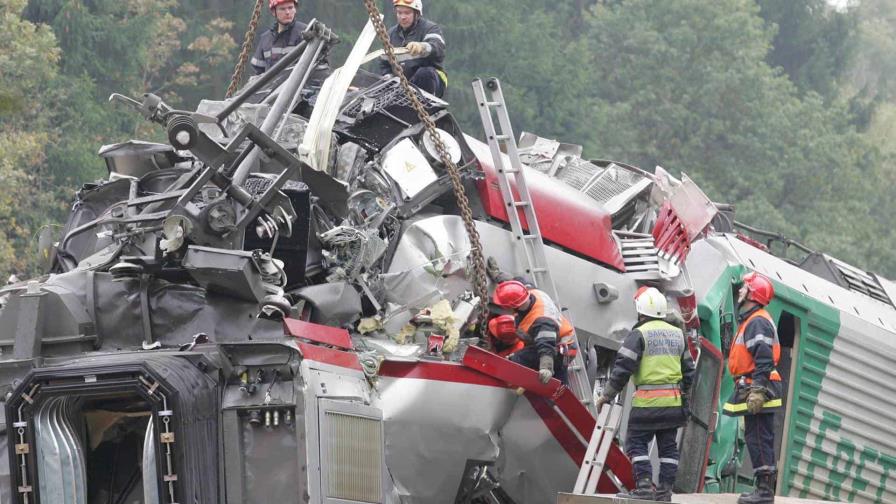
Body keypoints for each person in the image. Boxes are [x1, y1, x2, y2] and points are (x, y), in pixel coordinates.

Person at [594, 287, 696, 502]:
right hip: (674, 404)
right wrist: (683, 395)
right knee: (668, 447)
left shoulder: (639, 334)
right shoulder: (678, 334)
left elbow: (622, 369)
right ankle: (665, 491)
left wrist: (606, 396)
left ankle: (644, 487)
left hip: (647, 404)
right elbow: (689, 371)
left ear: (640, 309)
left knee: (636, 443)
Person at [723, 272, 783, 504]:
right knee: (757, 437)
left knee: (759, 437)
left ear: (753, 293)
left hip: (760, 386)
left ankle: (765, 492)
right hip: (754, 384)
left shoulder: (757, 320)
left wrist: (758, 389)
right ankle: (763, 488)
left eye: (745, 288)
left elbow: (764, 358)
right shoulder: (753, 319)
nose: (740, 291)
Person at [491, 280, 577, 385]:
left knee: (518, 359)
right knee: (558, 378)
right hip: (554, 343)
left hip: (561, 349)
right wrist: (500, 278)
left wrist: (546, 368)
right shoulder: (532, 293)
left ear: (513, 306)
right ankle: (560, 387)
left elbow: (546, 346)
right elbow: (515, 288)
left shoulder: (542, 321)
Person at [379, 0, 447, 97]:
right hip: (404, 85)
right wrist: (388, 77)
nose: (403, 17)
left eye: (407, 13)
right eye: (399, 13)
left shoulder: (430, 28)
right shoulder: (391, 34)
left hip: (432, 81)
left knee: (424, 74)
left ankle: (425, 103)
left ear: (417, 13)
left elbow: (438, 48)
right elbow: (384, 64)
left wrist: (422, 47)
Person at [251, 0, 308, 75]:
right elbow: (258, 73)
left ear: (295, 9)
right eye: (282, 9)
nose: (287, 12)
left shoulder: (306, 33)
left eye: (290, 8)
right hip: (271, 86)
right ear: (273, 12)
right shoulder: (265, 39)